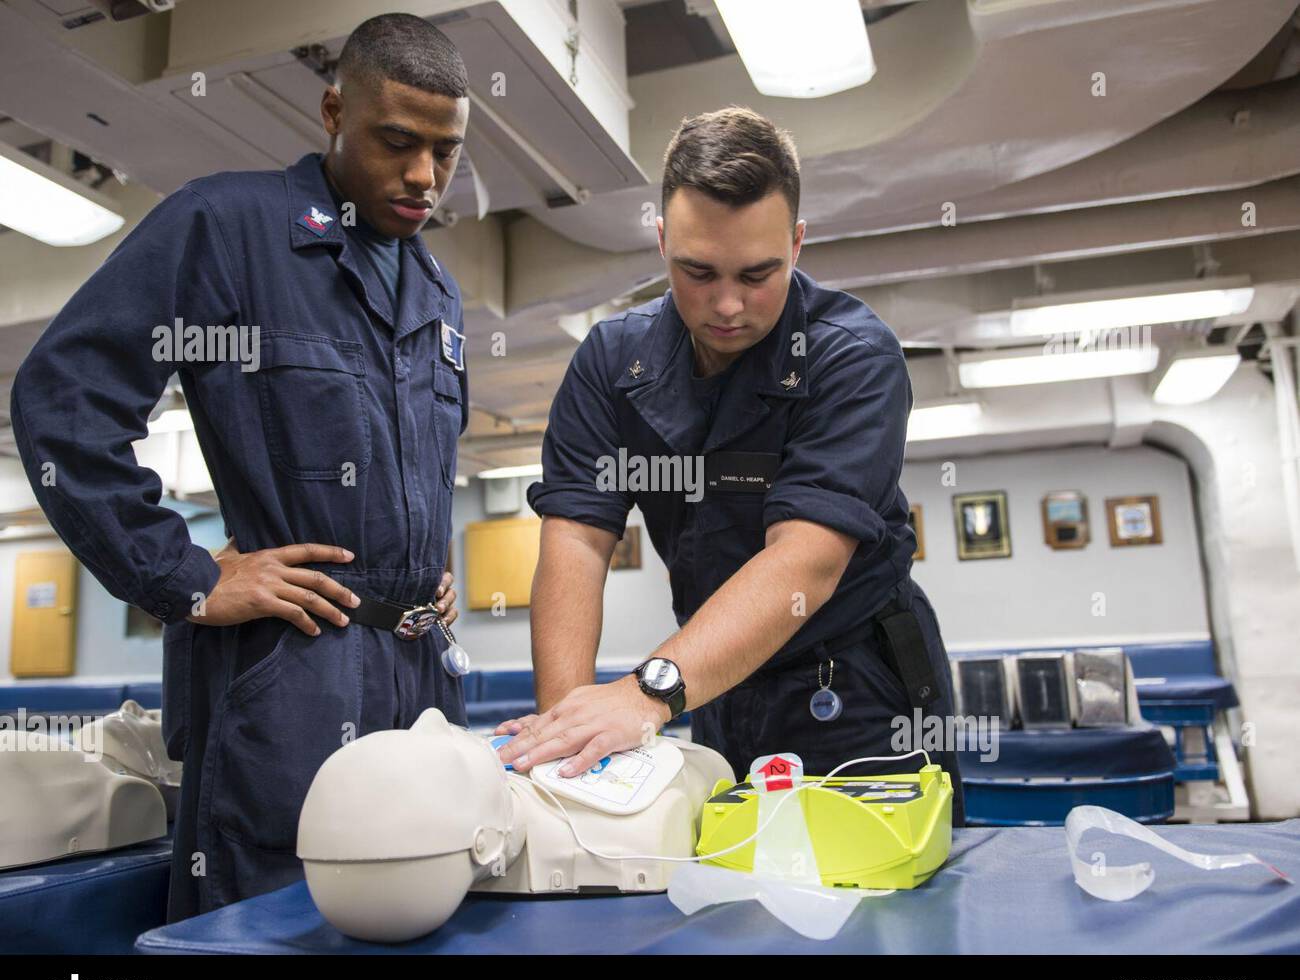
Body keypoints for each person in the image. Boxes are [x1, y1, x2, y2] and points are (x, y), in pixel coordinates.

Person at [10, 13, 474, 917]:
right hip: (293, 675)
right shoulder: (226, 227)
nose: (424, 175)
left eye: (446, 151)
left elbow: (412, 459)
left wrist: (433, 563)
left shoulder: (438, 288)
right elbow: (63, 401)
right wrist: (184, 576)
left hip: (420, 675)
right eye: (397, 142)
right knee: (270, 925)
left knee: (426, 911)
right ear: (334, 112)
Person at [498, 107, 965, 825]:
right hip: (714, 680)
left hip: (857, 690)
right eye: (697, 271)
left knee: (880, 918)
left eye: (757, 274)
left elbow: (802, 563)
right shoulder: (609, 363)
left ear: (798, 243)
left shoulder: (853, 357)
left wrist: (647, 692)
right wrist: (566, 742)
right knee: (729, 898)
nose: (726, 305)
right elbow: (577, 543)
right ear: (661, 242)